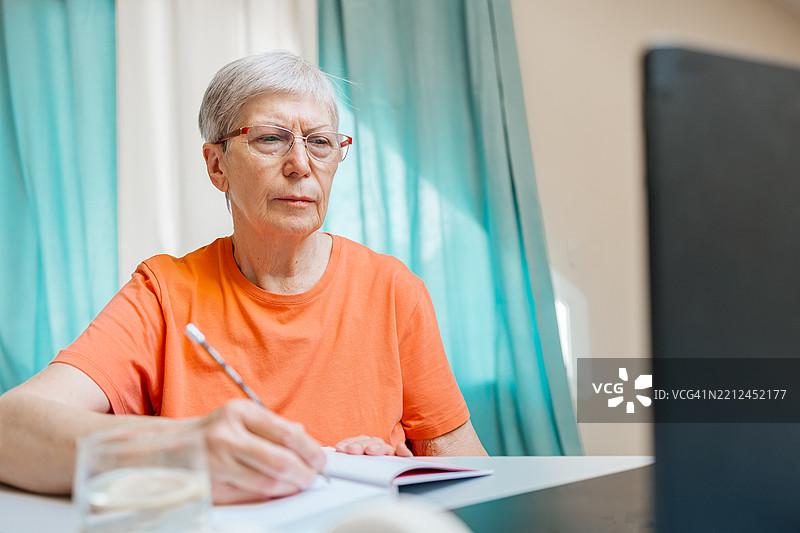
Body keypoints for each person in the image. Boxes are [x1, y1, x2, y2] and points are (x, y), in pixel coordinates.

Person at [0, 50, 486, 505]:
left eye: (320, 142)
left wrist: (392, 480)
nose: (301, 166)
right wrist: (188, 447)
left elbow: (468, 473)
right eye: (271, 139)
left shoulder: (392, 288)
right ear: (217, 166)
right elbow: (9, 431)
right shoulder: (165, 292)